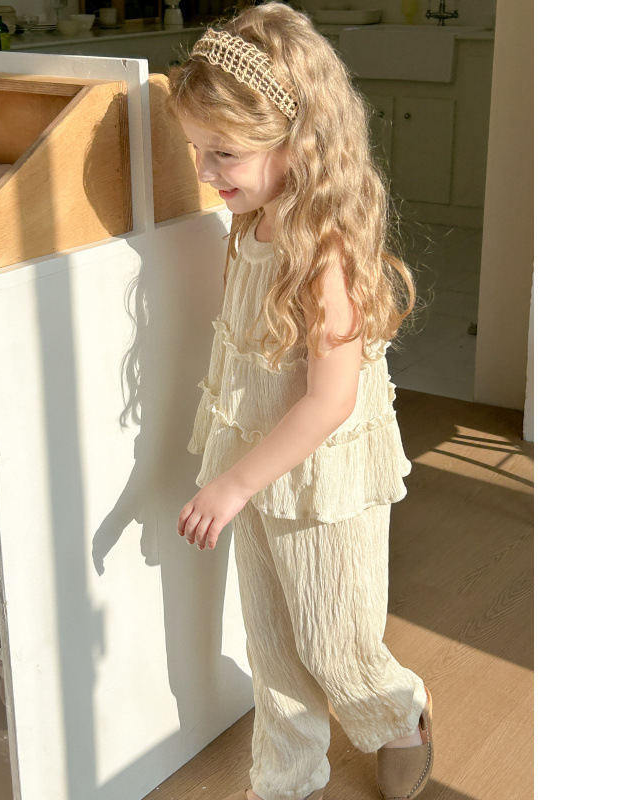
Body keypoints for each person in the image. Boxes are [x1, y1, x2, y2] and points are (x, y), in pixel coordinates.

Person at [170, 4, 434, 800]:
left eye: (224, 152)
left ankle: (400, 714)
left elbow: (328, 401)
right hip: (258, 458)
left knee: (334, 643)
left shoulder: (323, 252)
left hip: (324, 483)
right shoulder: (248, 227)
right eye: (197, 149)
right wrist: (241, 476)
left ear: (298, 143)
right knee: (273, 646)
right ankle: (285, 777)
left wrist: (231, 484)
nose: (205, 170)